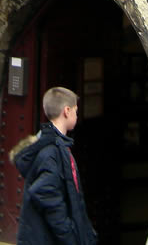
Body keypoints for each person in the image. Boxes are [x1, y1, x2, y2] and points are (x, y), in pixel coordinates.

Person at [13, 86, 98, 245]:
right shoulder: (51, 151)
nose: (77, 115)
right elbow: (45, 192)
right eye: (76, 111)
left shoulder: (55, 146)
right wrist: (69, 235)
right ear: (67, 111)